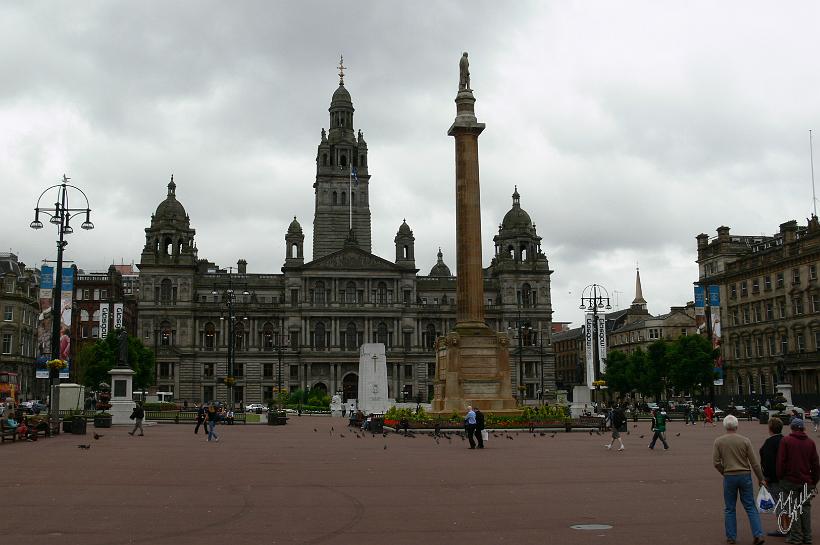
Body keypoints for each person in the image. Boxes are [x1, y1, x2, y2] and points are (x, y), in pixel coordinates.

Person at [713, 414, 765, 545]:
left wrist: (723, 472)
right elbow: (754, 463)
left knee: (730, 507)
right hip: (745, 474)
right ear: (737, 425)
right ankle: (758, 534)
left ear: (725, 426)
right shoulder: (745, 441)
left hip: (729, 475)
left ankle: (731, 537)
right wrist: (761, 478)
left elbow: (716, 462)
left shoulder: (719, 441)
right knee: (750, 506)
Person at [776, 417, 820, 545]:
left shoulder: (786, 441)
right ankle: (807, 536)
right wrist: (814, 481)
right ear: (803, 428)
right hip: (806, 481)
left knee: (792, 508)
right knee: (805, 508)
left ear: (792, 427)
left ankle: (796, 537)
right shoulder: (810, 442)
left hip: (790, 480)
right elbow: (816, 464)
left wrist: (780, 477)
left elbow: (781, 462)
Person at [759, 417, 785, 538]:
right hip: (787, 477)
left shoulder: (769, 443)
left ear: (770, 428)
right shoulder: (786, 440)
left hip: (775, 479)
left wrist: (766, 478)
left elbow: (768, 463)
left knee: (780, 503)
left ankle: (783, 528)